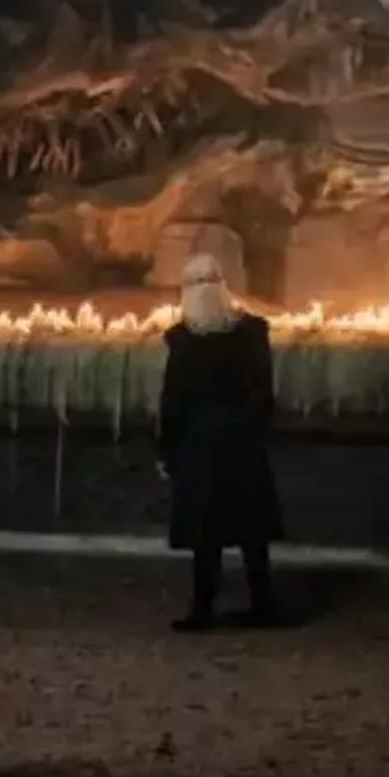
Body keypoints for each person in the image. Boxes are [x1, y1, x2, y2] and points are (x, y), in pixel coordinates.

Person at [156, 252, 286, 632]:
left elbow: (173, 400)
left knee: (204, 529)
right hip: (241, 437)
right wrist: (256, 429)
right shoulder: (252, 332)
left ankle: (202, 609)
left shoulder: (183, 340)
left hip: (200, 441)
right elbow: (264, 390)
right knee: (251, 527)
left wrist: (167, 449)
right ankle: (263, 604)